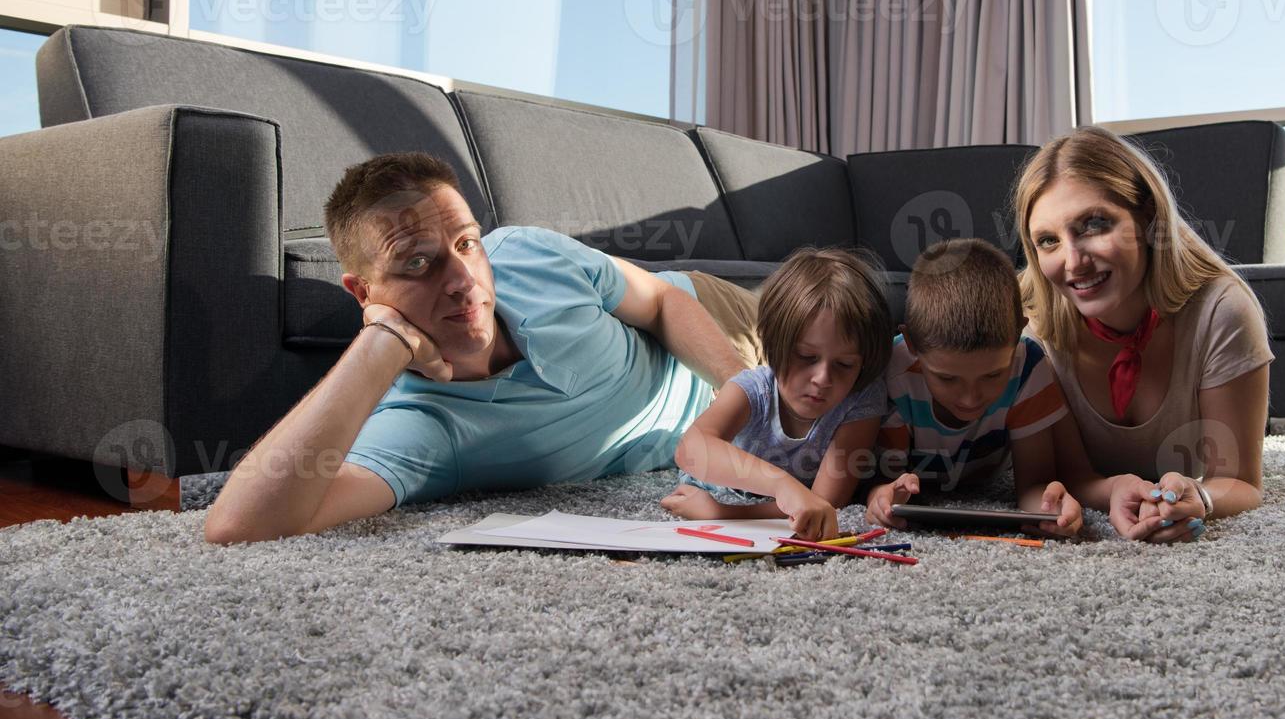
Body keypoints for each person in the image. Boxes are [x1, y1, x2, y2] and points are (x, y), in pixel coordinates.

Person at [204, 153, 757, 544]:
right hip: (702, 432)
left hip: (721, 324)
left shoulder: (530, 252)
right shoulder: (423, 426)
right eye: (418, 263)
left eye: (466, 244)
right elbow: (241, 525)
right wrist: (380, 343)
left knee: (839, 305)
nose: (464, 279)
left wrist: (749, 396)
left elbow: (662, 299)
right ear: (364, 292)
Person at [1014, 126, 1274, 544]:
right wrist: (1115, 489)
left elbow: (1239, 480)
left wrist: (1200, 497)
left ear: (1149, 220)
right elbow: (1065, 476)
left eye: (1094, 225)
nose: (1073, 261)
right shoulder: (1032, 330)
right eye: (1048, 241)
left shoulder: (1222, 312)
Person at [661, 248, 892, 542]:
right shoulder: (754, 388)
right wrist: (783, 486)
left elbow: (825, 503)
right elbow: (690, 450)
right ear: (773, 342)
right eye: (806, 357)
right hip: (725, 487)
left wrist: (722, 514)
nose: (822, 379)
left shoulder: (862, 397)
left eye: (844, 365)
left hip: (732, 506)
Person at [862, 238, 1085, 537]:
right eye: (948, 379)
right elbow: (884, 480)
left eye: (993, 375)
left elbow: (1033, 483)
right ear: (913, 346)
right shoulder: (893, 373)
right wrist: (881, 495)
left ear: (1018, 334)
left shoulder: (1028, 365)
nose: (971, 398)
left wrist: (1049, 508)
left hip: (986, 478)